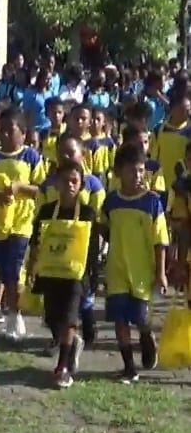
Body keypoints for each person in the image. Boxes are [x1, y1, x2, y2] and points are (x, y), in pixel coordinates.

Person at [0, 108, 45, 337]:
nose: (4, 135)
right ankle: (12, 317)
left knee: (14, 269)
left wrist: (20, 188)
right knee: (3, 272)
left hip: (22, 223)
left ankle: (16, 316)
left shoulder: (31, 157)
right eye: (1, 130)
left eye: (9, 131)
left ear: (23, 133)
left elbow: (41, 189)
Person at [27, 161, 100, 389]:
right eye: (65, 180)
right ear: (56, 183)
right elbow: (36, 241)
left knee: (69, 319)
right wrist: (31, 268)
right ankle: (72, 343)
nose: (70, 185)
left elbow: (93, 249)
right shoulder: (47, 211)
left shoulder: (88, 213)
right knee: (52, 318)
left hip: (76, 275)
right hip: (51, 272)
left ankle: (63, 367)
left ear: (81, 185)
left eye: (74, 181)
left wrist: (93, 276)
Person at [102, 145, 169, 383]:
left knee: (140, 317)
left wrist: (161, 273)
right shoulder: (112, 202)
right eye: (132, 171)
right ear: (119, 172)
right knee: (120, 319)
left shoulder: (152, 203)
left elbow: (160, 241)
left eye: (141, 171)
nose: (138, 176)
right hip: (117, 270)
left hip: (142, 271)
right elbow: (104, 229)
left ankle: (146, 335)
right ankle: (129, 367)